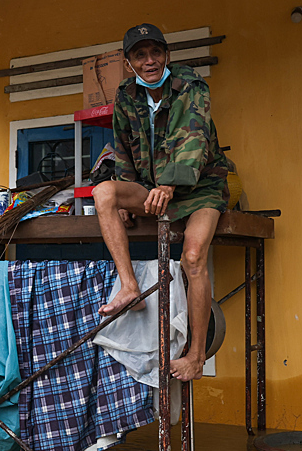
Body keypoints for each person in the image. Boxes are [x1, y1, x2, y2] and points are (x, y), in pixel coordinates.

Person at [92, 23, 229, 382]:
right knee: (103, 193)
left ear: (167, 55)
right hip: (153, 189)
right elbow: (122, 147)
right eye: (140, 55)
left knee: (193, 258)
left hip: (200, 187)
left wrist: (169, 184)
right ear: (129, 63)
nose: (149, 61)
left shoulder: (190, 85)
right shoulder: (126, 95)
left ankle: (196, 356)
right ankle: (129, 287)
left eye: (156, 52)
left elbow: (195, 140)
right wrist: (126, 194)